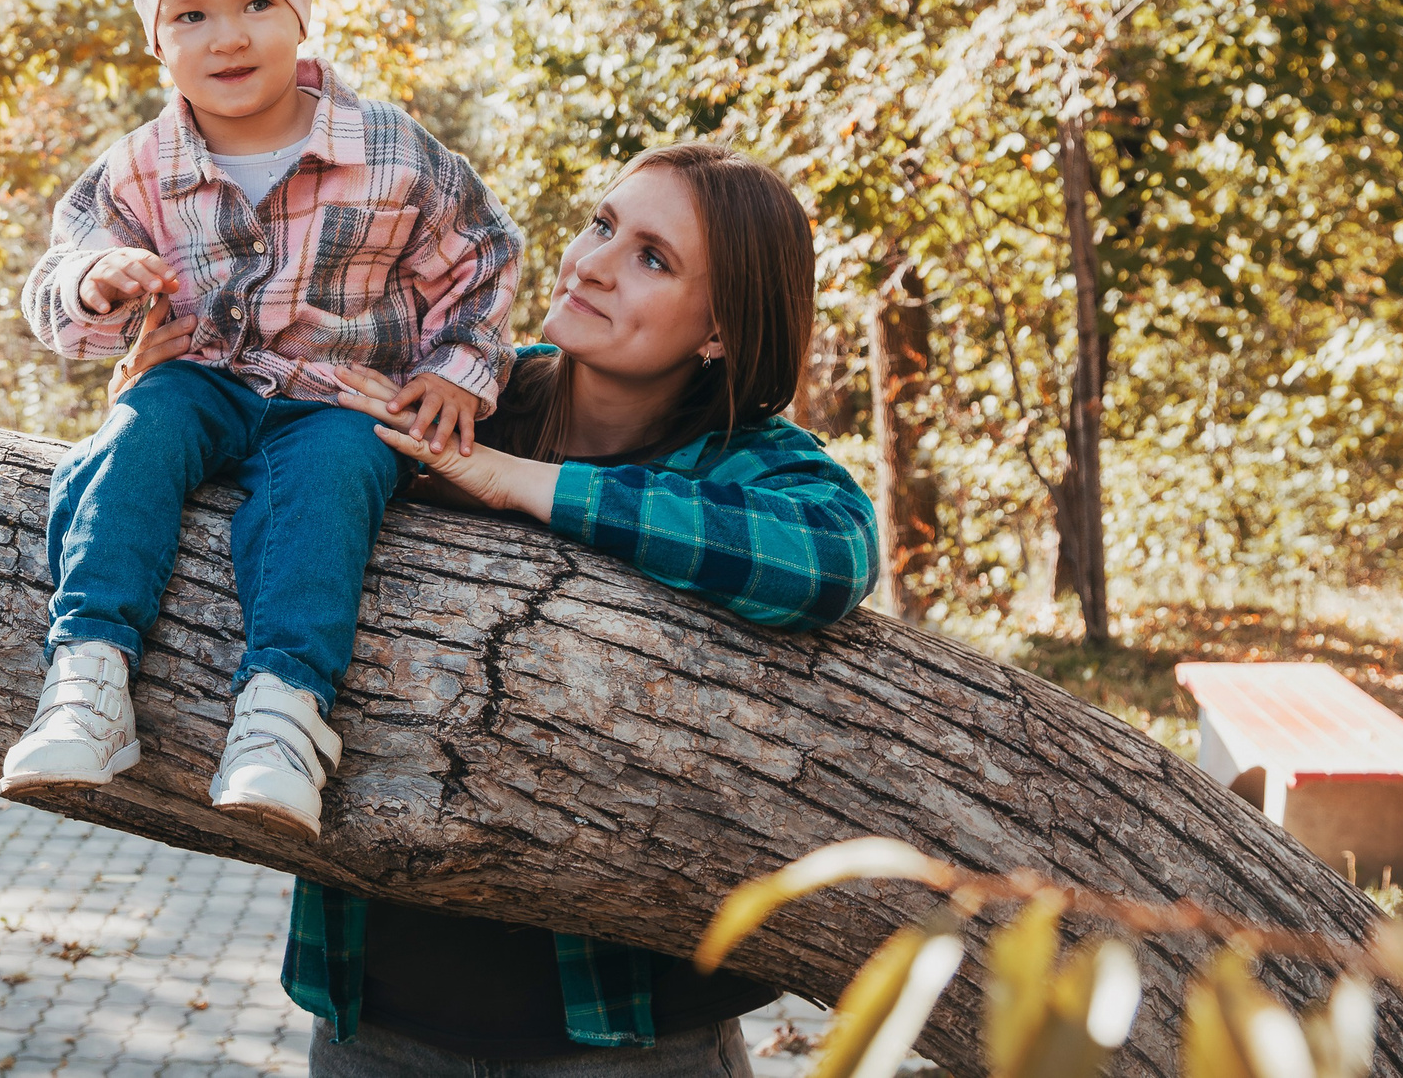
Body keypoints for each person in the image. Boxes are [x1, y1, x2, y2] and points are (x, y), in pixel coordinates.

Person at [112, 141, 877, 1076]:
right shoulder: (456, 386)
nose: (591, 261)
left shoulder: (733, 454)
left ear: (721, 328)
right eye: (602, 224)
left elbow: (831, 552)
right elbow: (262, 470)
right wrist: (164, 395)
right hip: (380, 1008)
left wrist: (526, 485)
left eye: (652, 257)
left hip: (629, 1030)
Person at [7, 0, 524, 841]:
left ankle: (284, 713)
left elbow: (483, 251)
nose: (227, 34)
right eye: (190, 16)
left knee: (326, 488)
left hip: (338, 399)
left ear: (300, 10)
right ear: (157, 39)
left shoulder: (390, 150)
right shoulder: (138, 171)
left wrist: (458, 372)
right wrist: (93, 281)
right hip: (195, 381)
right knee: (128, 444)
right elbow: (57, 285)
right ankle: (87, 676)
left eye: (254, 2)